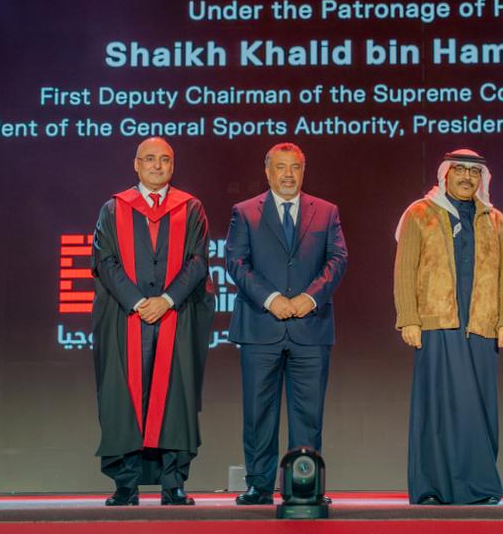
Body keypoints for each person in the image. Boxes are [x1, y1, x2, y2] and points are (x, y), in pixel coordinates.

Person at [393, 148, 503, 505]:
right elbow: (405, 271)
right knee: (437, 409)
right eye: (460, 170)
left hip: (481, 325)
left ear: (482, 179)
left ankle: (479, 487)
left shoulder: (495, 220)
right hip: (437, 325)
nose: (466, 177)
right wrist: (409, 318)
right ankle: (432, 487)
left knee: (478, 407)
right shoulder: (420, 213)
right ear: (445, 175)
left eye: (473, 172)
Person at [90, 137, 213, 506]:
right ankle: (125, 485)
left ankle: (173, 483)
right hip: (125, 317)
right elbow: (105, 261)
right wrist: (138, 302)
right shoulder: (113, 209)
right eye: (150, 159)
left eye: (164, 160)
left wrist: (167, 300)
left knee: (175, 398)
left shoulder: (191, 208)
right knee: (123, 398)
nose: (157, 166)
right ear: (136, 164)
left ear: (173, 166)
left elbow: (198, 261)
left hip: (177, 316)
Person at [226, 143, 348, 505]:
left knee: (308, 415)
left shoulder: (325, 211)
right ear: (268, 171)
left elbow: (337, 260)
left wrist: (309, 298)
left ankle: (303, 486)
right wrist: (271, 299)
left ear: (303, 170)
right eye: (281, 167)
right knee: (258, 414)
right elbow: (236, 263)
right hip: (260, 326)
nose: (288, 174)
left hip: (311, 327)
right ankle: (259, 485)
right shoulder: (244, 212)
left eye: (295, 167)